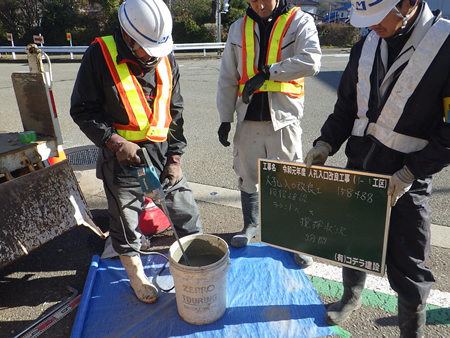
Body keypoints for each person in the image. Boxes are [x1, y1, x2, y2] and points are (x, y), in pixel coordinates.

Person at [304, 0, 450, 336]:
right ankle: (350, 297)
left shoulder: (445, 45)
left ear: (409, 4)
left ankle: (410, 331)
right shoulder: (367, 43)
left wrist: (410, 173)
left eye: (377, 17)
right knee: (351, 243)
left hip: (406, 180)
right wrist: (325, 143)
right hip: (359, 165)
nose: (371, 26)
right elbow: (347, 107)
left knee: (410, 268)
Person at [70, 0, 202, 304]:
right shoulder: (99, 56)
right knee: (126, 224)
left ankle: (197, 262)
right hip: (121, 160)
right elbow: (83, 110)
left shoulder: (165, 56)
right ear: (128, 38)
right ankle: (136, 277)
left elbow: (175, 112)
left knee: (185, 212)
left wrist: (175, 158)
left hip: (161, 155)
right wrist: (115, 142)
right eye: (146, 49)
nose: (153, 57)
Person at [216, 0, 321, 268]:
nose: (260, 5)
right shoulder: (238, 28)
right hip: (248, 118)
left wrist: (268, 73)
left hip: (284, 118)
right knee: (247, 175)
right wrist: (225, 118)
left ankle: (294, 240)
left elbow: (311, 61)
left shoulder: (300, 22)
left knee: (289, 179)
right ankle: (250, 225)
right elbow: (228, 76)